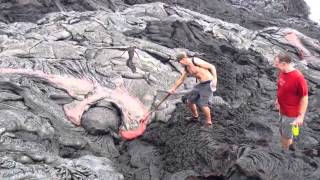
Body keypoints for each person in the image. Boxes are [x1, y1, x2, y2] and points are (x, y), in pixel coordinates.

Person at [169, 52, 217, 127]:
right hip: (200, 85)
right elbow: (181, 80)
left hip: (208, 83)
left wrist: (215, 79)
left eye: (179, 62)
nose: (179, 64)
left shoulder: (195, 61)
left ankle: (209, 123)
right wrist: (173, 89)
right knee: (190, 101)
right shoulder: (186, 68)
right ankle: (195, 117)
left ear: (183, 59)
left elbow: (212, 67)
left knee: (203, 104)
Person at [274, 53, 308, 150]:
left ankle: (286, 153)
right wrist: (278, 99)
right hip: (282, 109)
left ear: (284, 63)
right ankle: (294, 135)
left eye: (276, 63)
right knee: (282, 130)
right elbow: (281, 86)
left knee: (286, 136)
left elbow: (304, 97)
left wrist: (301, 116)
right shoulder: (282, 72)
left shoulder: (298, 78)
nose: (274, 65)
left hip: (291, 114)